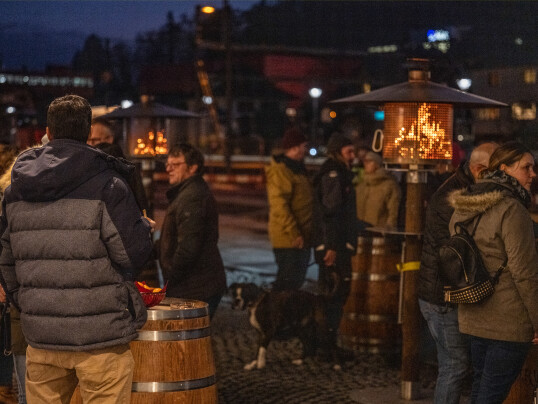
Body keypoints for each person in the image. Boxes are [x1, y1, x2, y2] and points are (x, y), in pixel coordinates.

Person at [0, 94, 154, 404]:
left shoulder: (15, 190)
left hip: (43, 338)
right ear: (87, 133)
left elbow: (6, 263)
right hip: (100, 338)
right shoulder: (108, 184)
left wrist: (33, 305)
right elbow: (134, 253)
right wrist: (143, 229)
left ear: (49, 131)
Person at [448, 141, 538, 404]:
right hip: (507, 321)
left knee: (481, 386)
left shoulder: (466, 204)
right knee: (491, 394)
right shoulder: (512, 209)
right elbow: (525, 273)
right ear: (504, 168)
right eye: (526, 168)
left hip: (474, 312)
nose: (533, 174)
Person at [418, 141, 498, 404]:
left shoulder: (465, 188)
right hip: (442, 296)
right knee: (454, 366)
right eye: (497, 170)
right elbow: (458, 249)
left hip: (445, 293)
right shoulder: (453, 197)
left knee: (456, 365)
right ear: (478, 169)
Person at [158, 143, 227, 319]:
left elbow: (188, 248)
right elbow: (171, 239)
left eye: (175, 165)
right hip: (195, 284)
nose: (168, 168)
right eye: (168, 164)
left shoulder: (192, 197)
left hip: (196, 287)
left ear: (192, 168)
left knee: (189, 341)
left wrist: (171, 279)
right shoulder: (186, 193)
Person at [312, 132, 357, 351]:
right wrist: (331, 246)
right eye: (349, 152)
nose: (353, 156)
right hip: (334, 247)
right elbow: (331, 212)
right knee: (333, 294)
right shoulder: (333, 175)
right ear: (338, 153)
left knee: (335, 293)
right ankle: (326, 344)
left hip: (336, 244)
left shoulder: (339, 173)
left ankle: (327, 342)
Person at [265, 127, 313, 291]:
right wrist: (294, 233)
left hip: (300, 238)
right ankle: (274, 315)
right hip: (289, 239)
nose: (306, 149)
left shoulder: (297, 168)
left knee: (294, 283)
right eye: (304, 146)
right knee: (286, 285)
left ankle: (284, 315)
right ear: (295, 147)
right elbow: (280, 206)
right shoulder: (282, 170)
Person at [355, 150, 400, 229]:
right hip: (361, 231)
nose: (366, 164)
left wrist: (389, 228)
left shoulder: (389, 185)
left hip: (379, 232)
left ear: (377, 164)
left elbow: (393, 210)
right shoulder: (362, 184)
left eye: (369, 161)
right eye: (365, 162)